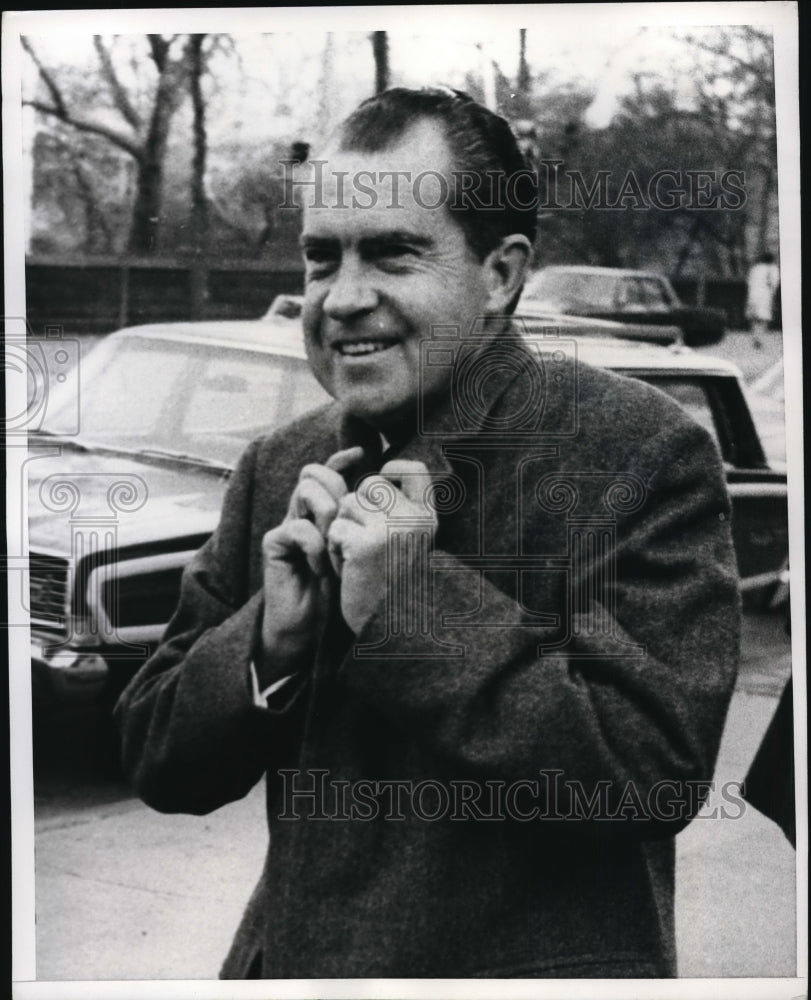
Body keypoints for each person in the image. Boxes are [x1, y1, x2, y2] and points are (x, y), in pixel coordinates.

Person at [115, 87, 741, 979]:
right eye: (320, 258)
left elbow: (651, 773)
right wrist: (272, 641)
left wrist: (408, 607)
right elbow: (156, 761)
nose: (342, 298)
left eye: (393, 253)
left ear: (500, 275)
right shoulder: (279, 464)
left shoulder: (636, 450)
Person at [745, 251, 780, 349]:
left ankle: (755, 337)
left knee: (754, 318)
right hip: (765, 295)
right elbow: (774, 284)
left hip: (753, 295)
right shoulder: (773, 269)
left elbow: (749, 282)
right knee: (763, 318)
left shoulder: (755, 269)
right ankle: (760, 338)